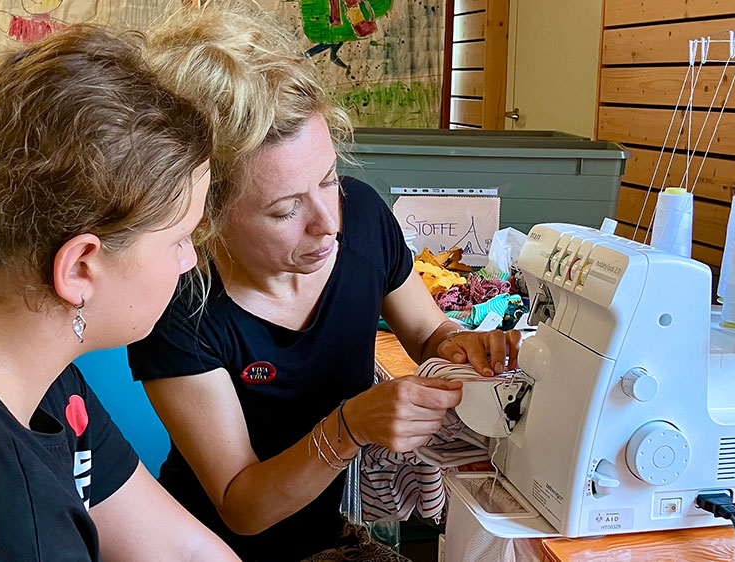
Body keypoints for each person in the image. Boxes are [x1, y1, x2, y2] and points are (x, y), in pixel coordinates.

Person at [126, 4, 521, 561]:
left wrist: (462, 346)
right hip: (214, 547)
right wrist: (349, 427)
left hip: (328, 535)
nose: (328, 224)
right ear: (206, 212)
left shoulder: (362, 217)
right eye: (285, 210)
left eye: (329, 179)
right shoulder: (179, 305)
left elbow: (428, 334)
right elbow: (242, 505)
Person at [0, 26, 238, 561]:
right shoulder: (1, 523)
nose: (189, 261)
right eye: (181, 238)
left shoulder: (39, 381)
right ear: (80, 268)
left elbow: (183, 551)